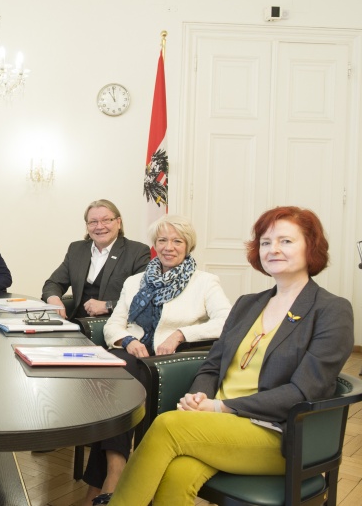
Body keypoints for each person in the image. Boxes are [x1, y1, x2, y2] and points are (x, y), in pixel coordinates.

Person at [104, 207, 354, 506]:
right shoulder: (248, 304)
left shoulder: (331, 310)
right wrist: (198, 398)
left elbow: (303, 392)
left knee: (167, 425)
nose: (273, 249)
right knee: (179, 473)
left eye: (286, 241)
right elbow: (212, 364)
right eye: (265, 242)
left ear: (311, 246)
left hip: (279, 434)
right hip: (220, 425)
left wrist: (220, 407)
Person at [82, 214, 231, 505]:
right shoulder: (136, 281)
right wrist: (128, 340)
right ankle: (114, 470)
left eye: (177, 240)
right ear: (154, 245)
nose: (169, 247)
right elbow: (115, 324)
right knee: (114, 366)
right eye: (162, 240)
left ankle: (109, 478)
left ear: (189, 245)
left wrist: (180, 334)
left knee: (122, 372)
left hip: (170, 362)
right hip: (134, 355)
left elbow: (227, 321)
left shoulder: (205, 282)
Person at [42, 200, 150, 319]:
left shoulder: (137, 251)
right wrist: (54, 299)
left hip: (113, 324)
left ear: (118, 222)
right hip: (77, 323)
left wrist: (107, 305)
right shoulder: (77, 249)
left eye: (106, 220)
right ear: (87, 226)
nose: (99, 226)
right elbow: (53, 283)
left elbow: (144, 295)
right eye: (93, 222)